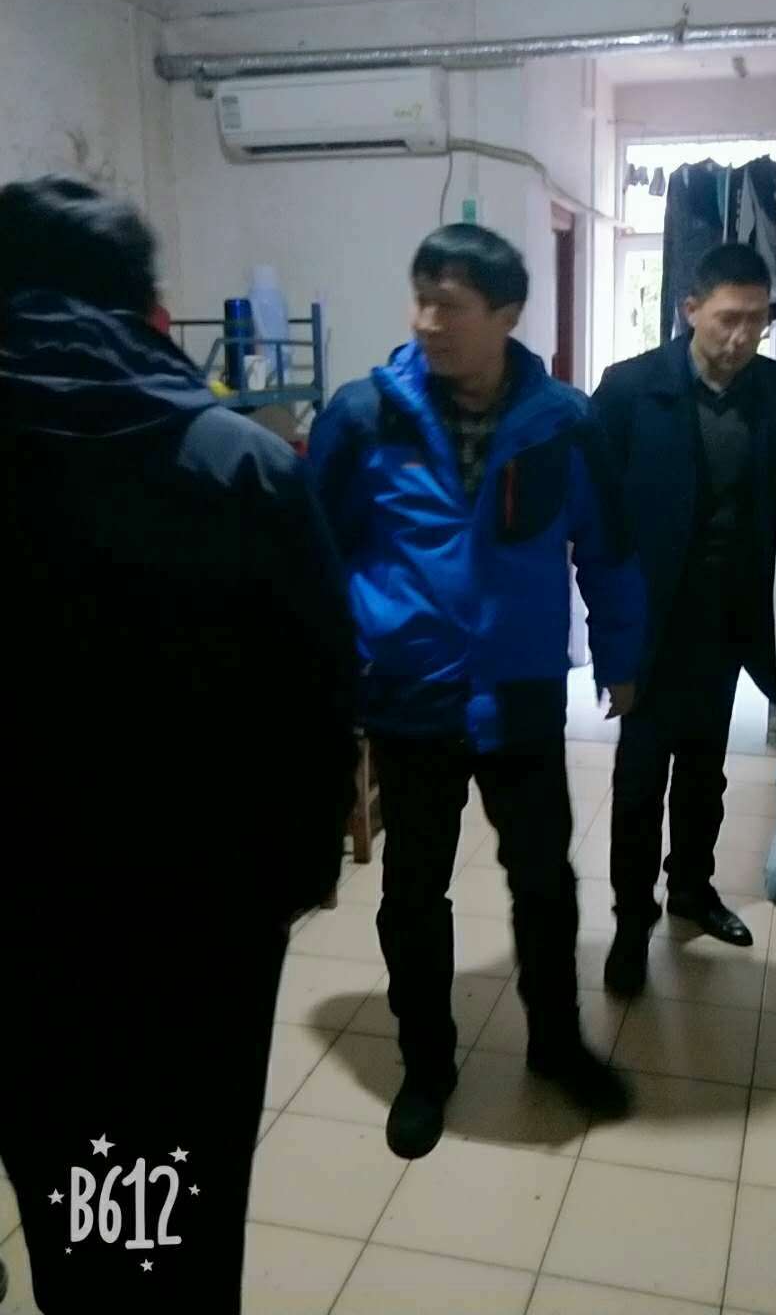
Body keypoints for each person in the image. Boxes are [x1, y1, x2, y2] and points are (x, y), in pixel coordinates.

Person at [0, 177, 359, 1313]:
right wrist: (291, 880)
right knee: (161, 1204)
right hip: (191, 928)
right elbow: (319, 697)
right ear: (143, 307)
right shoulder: (238, 464)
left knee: (50, 1174)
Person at [309, 224, 645, 1159]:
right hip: (410, 692)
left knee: (544, 882)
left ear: (506, 314)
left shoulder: (565, 422)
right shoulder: (363, 416)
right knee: (413, 889)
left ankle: (555, 1046)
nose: (426, 321)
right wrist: (335, 665)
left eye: (449, 305)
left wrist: (620, 659)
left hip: (521, 691)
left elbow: (610, 548)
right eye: (419, 299)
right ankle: (427, 1067)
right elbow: (315, 550)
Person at [593, 242, 776, 998]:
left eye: (756, 320)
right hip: (649, 626)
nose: (742, 336)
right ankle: (630, 922)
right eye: (727, 319)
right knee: (638, 782)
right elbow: (599, 521)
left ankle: (691, 889)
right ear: (690, 310)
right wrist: (609, 641)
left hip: (724, 621)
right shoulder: (628, 389)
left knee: (706, 774)